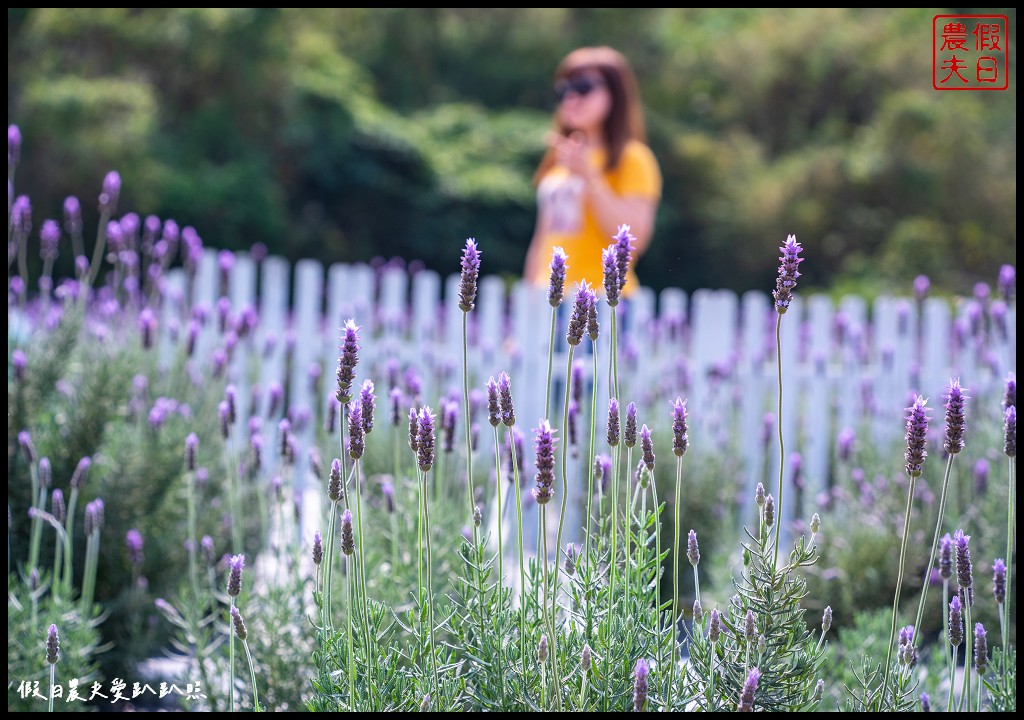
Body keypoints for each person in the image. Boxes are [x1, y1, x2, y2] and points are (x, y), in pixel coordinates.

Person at [523, 46, 662, 299]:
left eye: (584, 87)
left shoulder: (633, 158)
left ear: (615, 94)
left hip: (604, 299)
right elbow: (543, 239)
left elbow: (635, 240)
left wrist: (589, 178)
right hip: (551, 298)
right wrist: (527, 298)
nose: (572, 98)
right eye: (564, 89)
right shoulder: (558, 160)